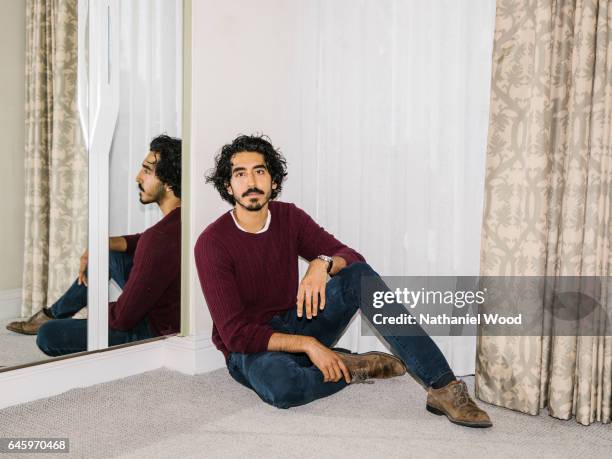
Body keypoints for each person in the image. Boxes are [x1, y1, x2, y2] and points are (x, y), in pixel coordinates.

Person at [194, 134, 492, 428]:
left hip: (296, 320)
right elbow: (236, 335)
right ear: (228, 185)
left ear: (273, 182)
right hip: (251, 348)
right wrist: (309, 344)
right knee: (282, 387)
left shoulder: (289, 218)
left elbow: (351, 256)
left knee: (358, 277)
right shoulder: (212, 243)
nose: (251, 182)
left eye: (259, 171)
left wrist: (321, 263)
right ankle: (351, 367)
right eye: (240, 174)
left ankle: (444, 386)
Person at [7, 135, 182, 357]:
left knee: (48, 335)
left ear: (168, 183)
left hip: (153, 329)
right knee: (108, 255)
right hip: (170, 311)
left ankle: (51, 320)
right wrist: (102, 244)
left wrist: (98, 309)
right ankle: (54, 313)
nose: (138, 177)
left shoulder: (157, 239)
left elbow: (122, 318)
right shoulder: (182, 221)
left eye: (147, 171)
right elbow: (146, 241)